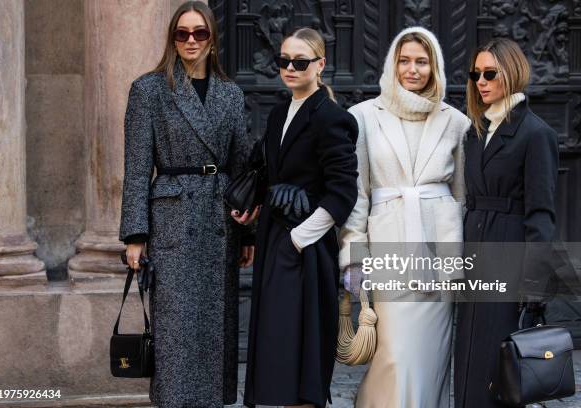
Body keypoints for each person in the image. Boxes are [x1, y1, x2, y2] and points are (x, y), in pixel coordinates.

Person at [118, 2, 255, 406]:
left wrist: (247, 230)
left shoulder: (230, 94)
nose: (191, 41)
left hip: (219, 219)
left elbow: (242, 166)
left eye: (199, 33)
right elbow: (138, 166)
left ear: (212, 39)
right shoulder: (149, 89)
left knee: (214, 326)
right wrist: (135, 235)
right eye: (182, 33)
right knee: (175, 327)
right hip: (172, 220)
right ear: (172, 39)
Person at [339, 26, 470, 407]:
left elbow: (462, 195)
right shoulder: (362, 117)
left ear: (435, 68)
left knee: (430, 360)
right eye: (405, 61)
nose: (413, 69)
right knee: (394, 355)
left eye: (422, 62)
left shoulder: (456, 122)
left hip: (438, 254)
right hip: (387, 251)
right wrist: (353, 255)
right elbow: (358, 194)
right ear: (392, 64)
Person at [233, 27, 358, 408]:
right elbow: (269, 171)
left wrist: (299, 238)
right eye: (283, 60)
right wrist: (251, 212)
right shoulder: (278, 114)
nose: (289, 67)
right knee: (278, 344)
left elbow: (343, 193)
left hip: (306, 248)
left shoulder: (332, 118)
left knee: (302, 352)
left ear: (320, 65)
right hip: (275, 239)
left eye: (299, 62)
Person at [454, 37, 559, 408]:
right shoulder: (475, 132)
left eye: (489, 74)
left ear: (511, 73)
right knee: (468, 357)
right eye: (475, 74)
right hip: (475, 252)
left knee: (497, 366)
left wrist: (534, 287)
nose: (480, 81)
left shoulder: (535, 134)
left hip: (509, 253)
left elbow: (541, 216)